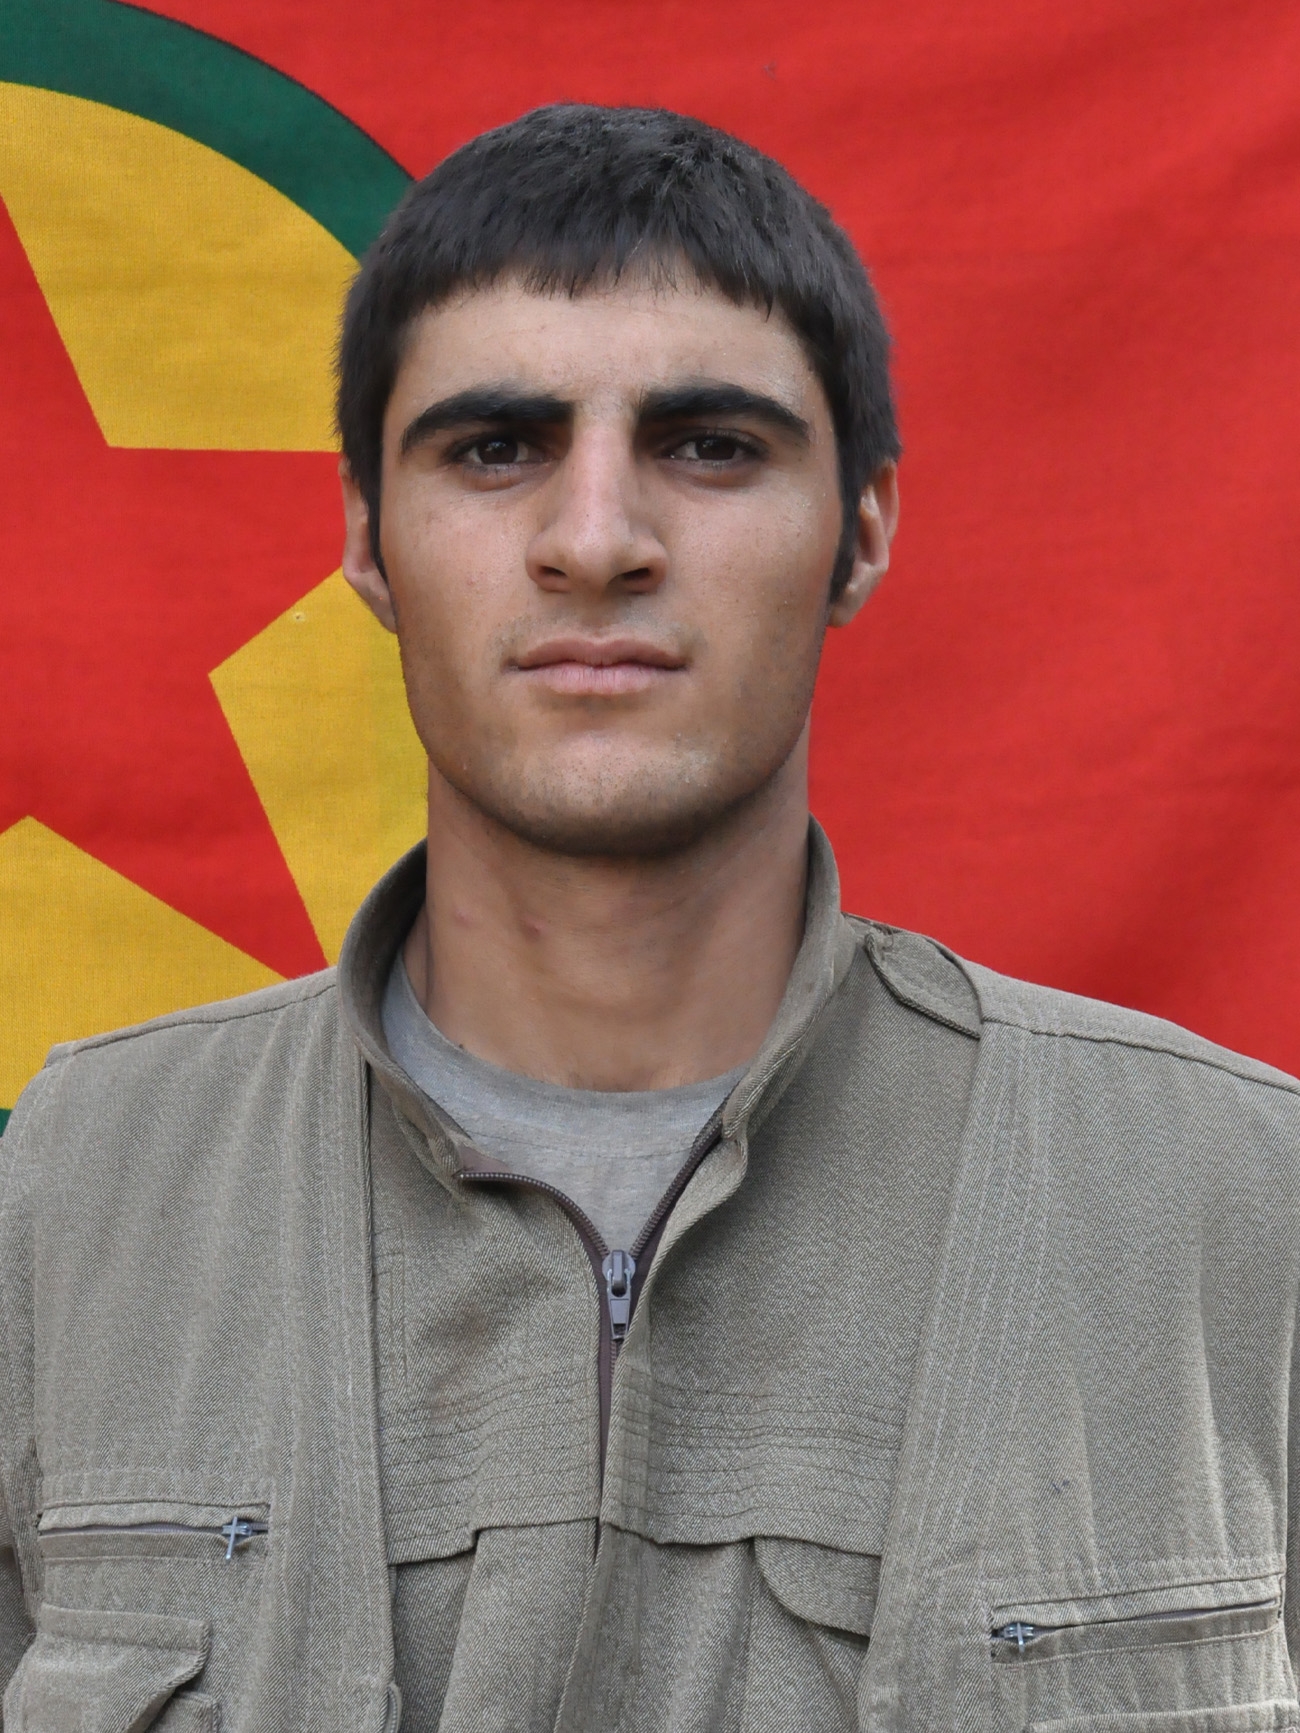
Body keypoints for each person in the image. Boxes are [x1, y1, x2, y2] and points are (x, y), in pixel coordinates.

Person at [1, 103, 1297, 1733]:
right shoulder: (71, 1198)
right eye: (495, 448)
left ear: (864, 528)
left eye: (710, 445)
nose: (597, 540)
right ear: (367, 539)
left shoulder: (1240, 1209)